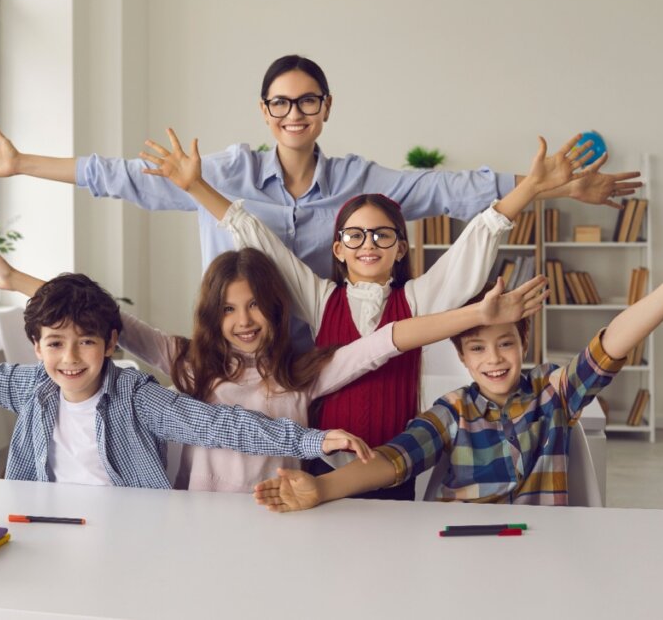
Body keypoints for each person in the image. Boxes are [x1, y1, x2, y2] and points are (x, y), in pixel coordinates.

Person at [136, 128, 589, 499]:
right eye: (354, 235)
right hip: (320, 464)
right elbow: (255, 236)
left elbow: (473, 246)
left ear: (401, 247)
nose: (368, 244)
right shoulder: (319, 298)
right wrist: (196, 186)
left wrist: (528, 188)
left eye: (381, 235)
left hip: (392, 464)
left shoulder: (416, 300)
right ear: (337, 248)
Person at [0, 54, 640, 282]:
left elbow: (447, 190)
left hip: (320, 342)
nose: (294, 113)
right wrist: (21, 163)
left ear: (325, 108)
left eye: (306, 101)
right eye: (281, 103)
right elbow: (118, 176)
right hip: (232, 343)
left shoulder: (357, 179)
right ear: (265, 112)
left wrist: (541, 184)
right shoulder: (218, 173)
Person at [252, 223, 663, 509]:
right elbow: (392, 460)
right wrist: (321, 487)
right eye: (478, 349)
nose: (494, 359)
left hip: (541, 550)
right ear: (461, 356)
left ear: (523, 343)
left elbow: (611, 344)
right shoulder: (452, 411)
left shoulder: (552, 395)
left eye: (506, 344)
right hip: (461, 553)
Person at [0, 245, 547, 493]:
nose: (242, 320)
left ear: (275, 309)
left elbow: (386, 342)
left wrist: (472, 314)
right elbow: (101, 314)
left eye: (253, 306)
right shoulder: (188, 362)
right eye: (227, 308)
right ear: (211, 314)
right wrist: (18, 279)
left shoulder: (305, 372)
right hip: (194, 513)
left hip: (276, 512)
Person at [0, 273, 378, 489]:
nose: (71, 359)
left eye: (86, 342)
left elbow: (218, 422)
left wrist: (308, 441)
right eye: (55, 344)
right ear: (37, 348)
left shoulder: (137, 398)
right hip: (44, 519)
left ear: (111, 343)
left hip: (129, 527)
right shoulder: (27, 388)